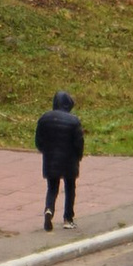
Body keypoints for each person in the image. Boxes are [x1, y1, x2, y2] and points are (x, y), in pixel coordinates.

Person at [35, 88, 84, 228]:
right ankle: (68, 219)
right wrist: (78, 156)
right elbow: (78, 142)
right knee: (70, 188)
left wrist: (45, 151)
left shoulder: (44, 118)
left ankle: (49, 209)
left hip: (50, 159)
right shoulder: (74, 121)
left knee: (52, 188)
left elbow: (39, 140)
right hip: (69, 160)